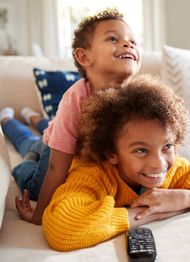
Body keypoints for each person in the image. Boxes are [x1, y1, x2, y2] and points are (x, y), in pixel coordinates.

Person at [42, 75, 190, 251]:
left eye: (167, 146)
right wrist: (152, 212)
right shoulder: (93, 173)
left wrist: (184, 198)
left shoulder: (176, 170)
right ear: (111, 153)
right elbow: (62, 229)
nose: (159, 164)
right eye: (141, 150)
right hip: (44, 156)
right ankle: (14, 120)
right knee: (29, 149)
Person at [13, 7, 142, 225]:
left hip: (67, 139)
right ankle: (13, 129)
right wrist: (38, 216)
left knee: (46, 130)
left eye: (133, 41)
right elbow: (56, 166)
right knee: (35, 183)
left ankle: (33, 120)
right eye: (113, 38)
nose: (128, 44)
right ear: (84, 56)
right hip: (56, 151)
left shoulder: (141, 97)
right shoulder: (77, 98)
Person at [0, 107, 51, 199]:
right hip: (51, 141)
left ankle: (11, 119)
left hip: (51, 137)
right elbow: (34, 189)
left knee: (25, 138)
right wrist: (31, 155)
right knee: (25, 139)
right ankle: (24, 117)